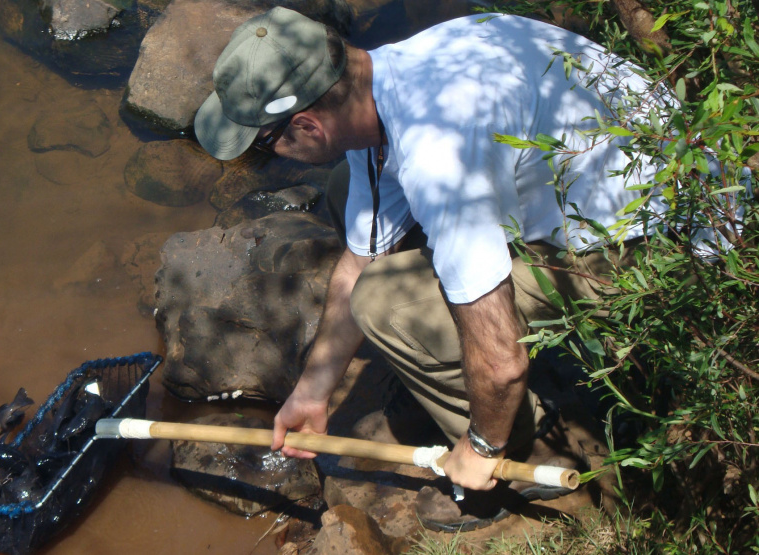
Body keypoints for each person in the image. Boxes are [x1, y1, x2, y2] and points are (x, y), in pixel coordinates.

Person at [194, 7, 663, 530]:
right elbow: (361, 257)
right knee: (346, 191)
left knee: (383, 305)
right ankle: (447, 369)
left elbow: (502, 360)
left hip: (649, 247)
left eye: (264, 142)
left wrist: (482, 446)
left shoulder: (436, 153)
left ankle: (522, 450)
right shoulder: (385, 77)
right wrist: (313, 389)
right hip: (605, 177)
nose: (268, 153)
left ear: (306, 125)